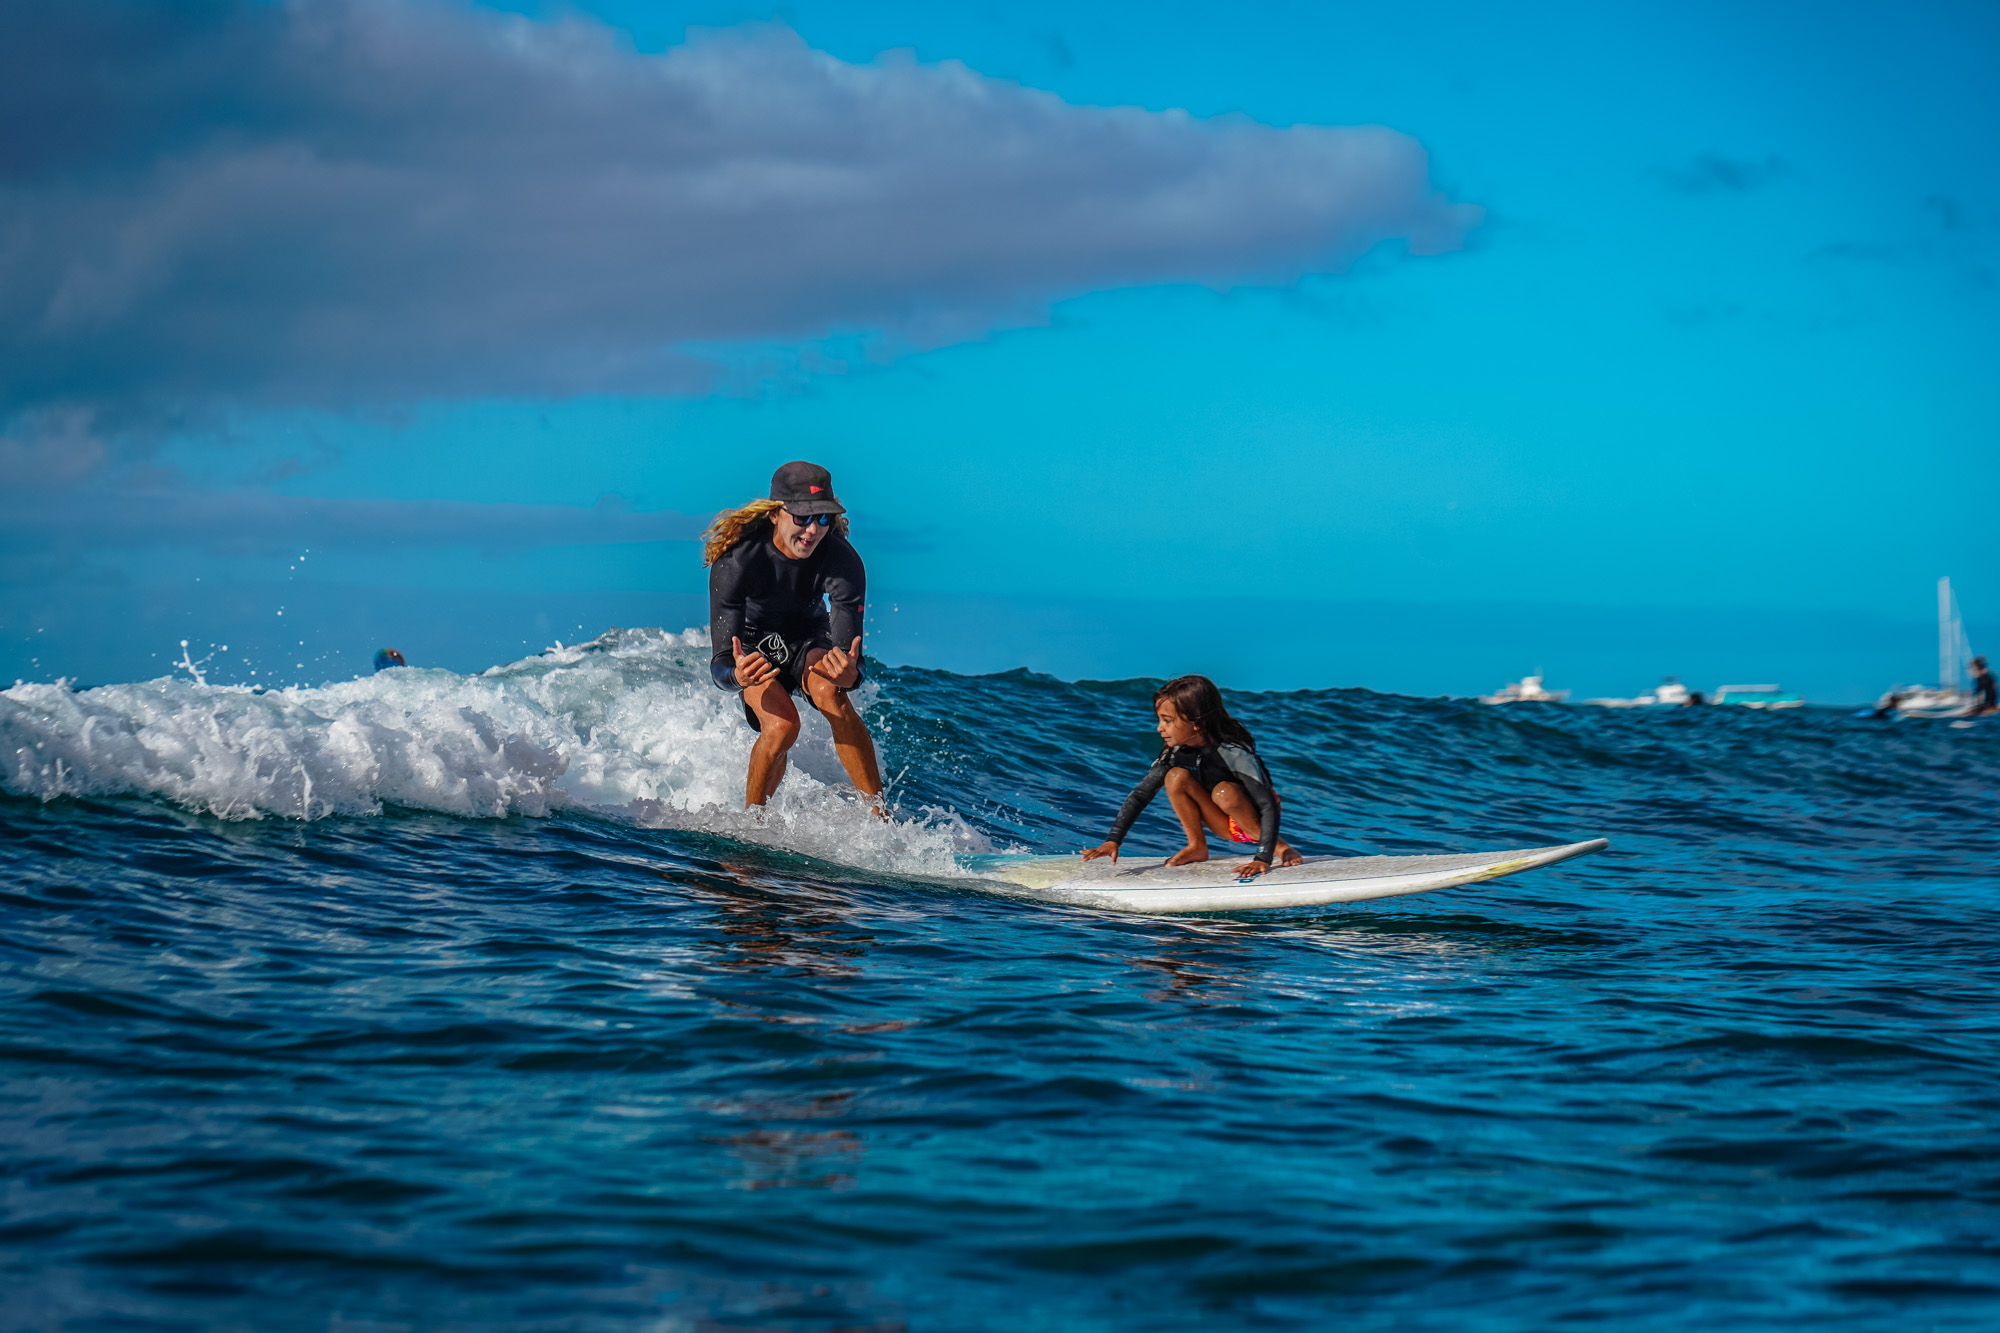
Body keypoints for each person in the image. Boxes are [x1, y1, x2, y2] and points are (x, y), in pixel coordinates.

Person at [705, 461, 884, 809]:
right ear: (775, 514)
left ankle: (881, 818)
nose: (813, 530)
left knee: (832, 694)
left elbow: (851, 661)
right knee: (783, 724)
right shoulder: (737, 560)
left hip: (807, 640)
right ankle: (752, 826)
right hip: (754, 652)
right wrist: (736, 675)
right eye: (802, 518)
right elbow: (721, 665)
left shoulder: (843, 562)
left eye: (822, 519)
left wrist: (850, 676)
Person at [1081, 674, 1302, 878]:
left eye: (1167, 720)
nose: (1159, 728)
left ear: (1195, 722)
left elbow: (1267, 805)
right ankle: (1197, 846)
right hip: (1223, 823)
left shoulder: (1233, 752)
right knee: (1175, 776)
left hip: (1256, 819)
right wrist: (1113, 840)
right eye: (1159, 719)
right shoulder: (1175, 753)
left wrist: (1262, 857)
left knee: (1224, 791)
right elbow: (1141, 795)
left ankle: (1281, 848)